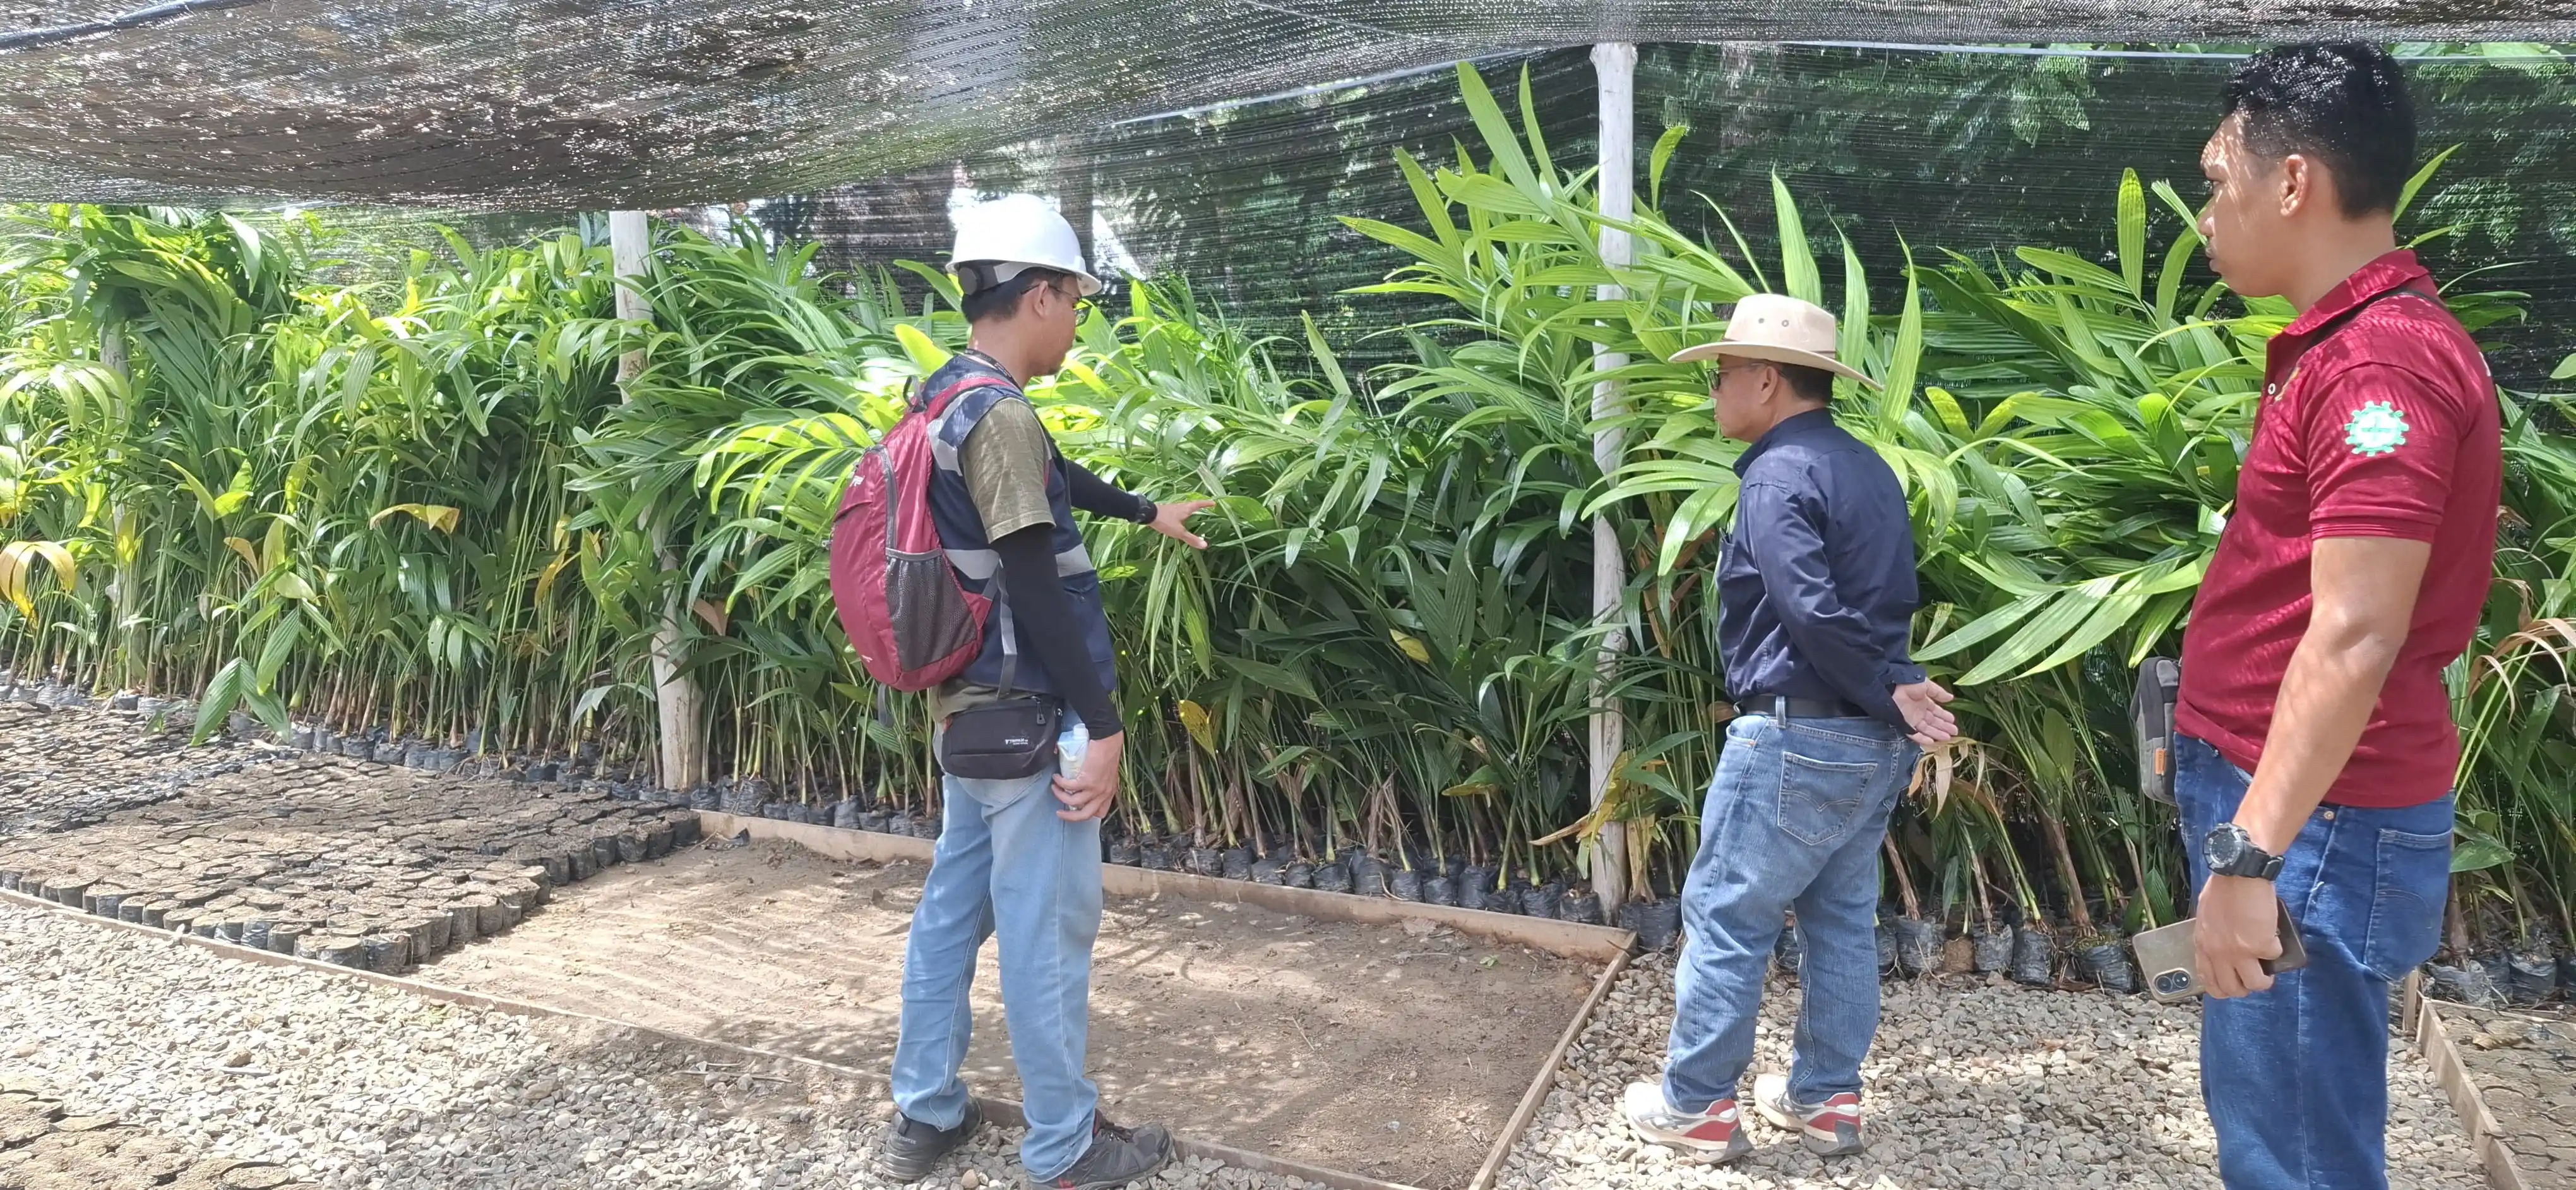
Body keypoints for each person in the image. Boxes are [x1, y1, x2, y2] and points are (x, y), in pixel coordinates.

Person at [2173, 44, 2498, 1190]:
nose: (2209, 211)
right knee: (2281, 1120)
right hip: (2299, 809)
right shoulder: (2353, 346)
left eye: (2220, 180)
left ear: (2295, 182)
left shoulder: (2380, 368)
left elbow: (2358, 632)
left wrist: (2248, 858)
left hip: (2312, 823)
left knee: (2296, 1154)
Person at [879, 193, 1214, 1190]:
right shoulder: (1002, 416)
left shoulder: (945, 394)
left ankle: (925, 1110)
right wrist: (1104, 730)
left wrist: (1148, 509)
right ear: (1040, 295)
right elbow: (1033, 576)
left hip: (968, 715)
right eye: (1077, 301)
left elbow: (1053, 480)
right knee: (1046, 930)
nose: (1081, 321)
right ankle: (1065, 1147)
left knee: (953, 911)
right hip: (1033, 724)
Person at [1620, 294, 1959, 1162]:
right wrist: (1892, 689)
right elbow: (1870, 606)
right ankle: (1826, 1101)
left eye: (1724, 376)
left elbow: (1808, 609)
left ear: (1766, 381)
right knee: (1842, 920)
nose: (1715, 393)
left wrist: (1891, 686)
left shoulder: (1775, 476)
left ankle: (1696, 1107)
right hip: (1869, 746)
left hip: (1796, 736)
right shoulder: (1868, 468)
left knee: (1729, 917)